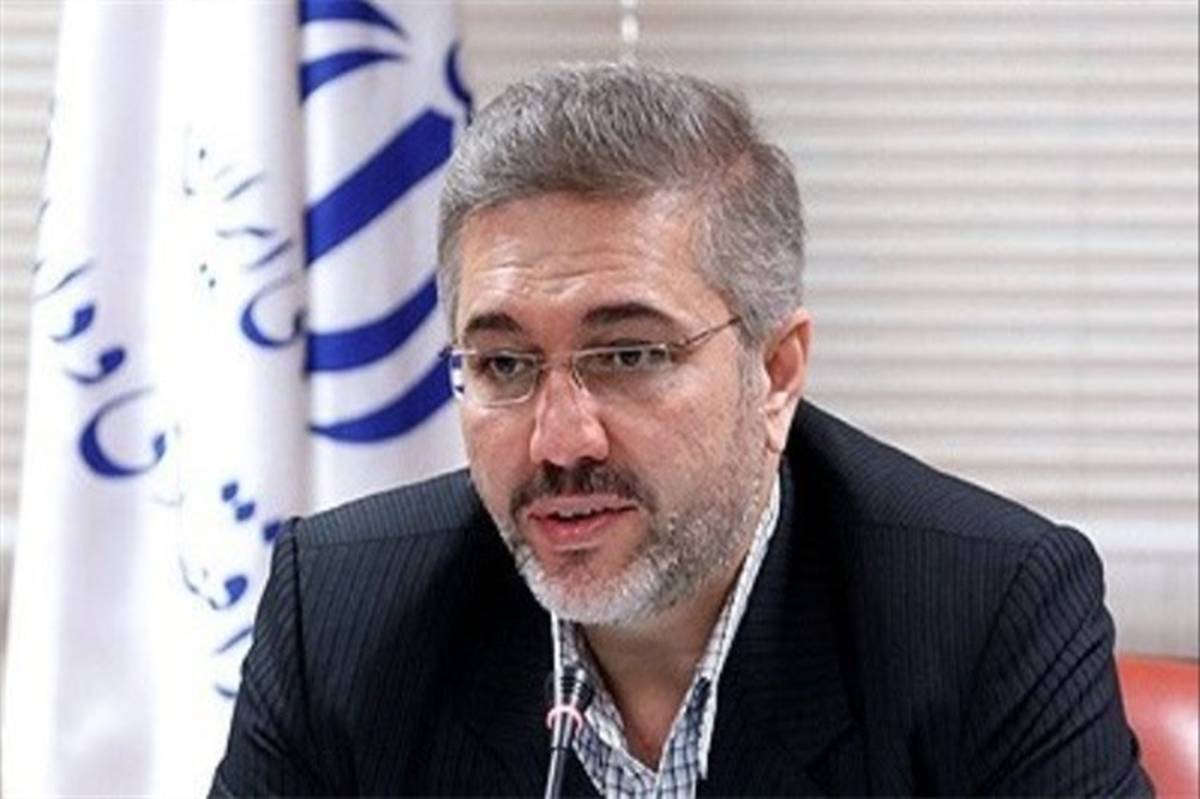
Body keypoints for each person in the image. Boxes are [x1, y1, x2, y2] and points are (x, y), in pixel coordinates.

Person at [211, 63, 1151, 796]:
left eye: (628, 355)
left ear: (775, 372)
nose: (560, 442)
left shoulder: (985, 613)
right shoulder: (341, 617)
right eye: (503, 364)